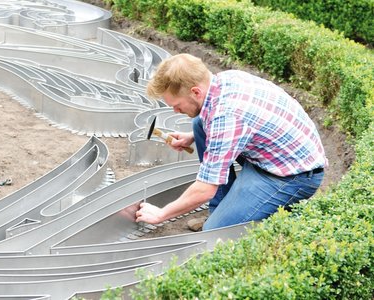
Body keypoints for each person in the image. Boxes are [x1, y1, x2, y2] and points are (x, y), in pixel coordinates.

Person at [135, 53, 327, 231]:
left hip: (291, 176)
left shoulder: (226, 116)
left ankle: (263, 213)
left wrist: (161, 213)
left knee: (214, 232)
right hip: (278, 154)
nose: (175, 111)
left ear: (195, 92)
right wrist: (191, 136)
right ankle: (221, 208)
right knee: (199, 124)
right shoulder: (224, 80)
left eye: (177, 106)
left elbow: (204, 189)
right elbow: (236, 125)